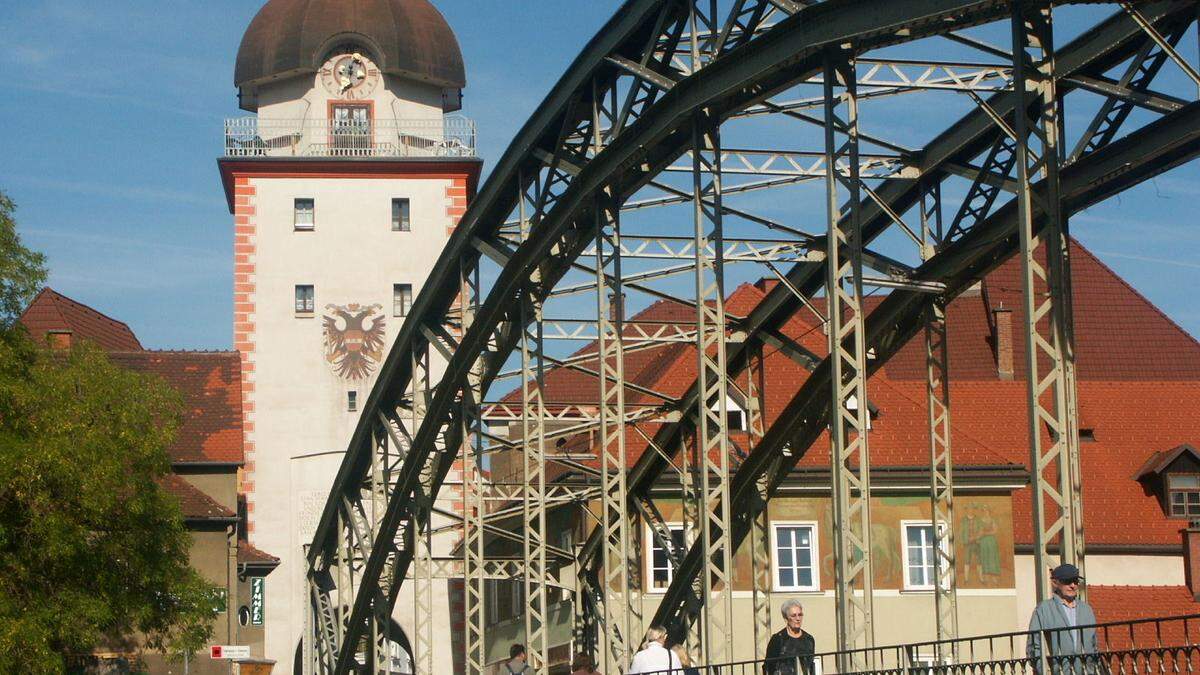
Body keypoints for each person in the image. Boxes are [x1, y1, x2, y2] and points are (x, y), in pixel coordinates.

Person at [1026, 564, 1103, 675]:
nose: (1073, 585)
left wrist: (1094, 668)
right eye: (1067, 581)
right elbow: (1033, 647)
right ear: (1055, 583)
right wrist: (1044, 670)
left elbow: (1094, 645)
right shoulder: (1043, 610)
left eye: (1075, 581)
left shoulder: (1087, 610)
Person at [764, 599, 816, 675]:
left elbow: (810, 666)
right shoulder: (778, 639)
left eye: (800, 615)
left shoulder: (809, 639)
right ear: (786, 619)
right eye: (793, 615)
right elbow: (768, 667)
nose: (798, 619)